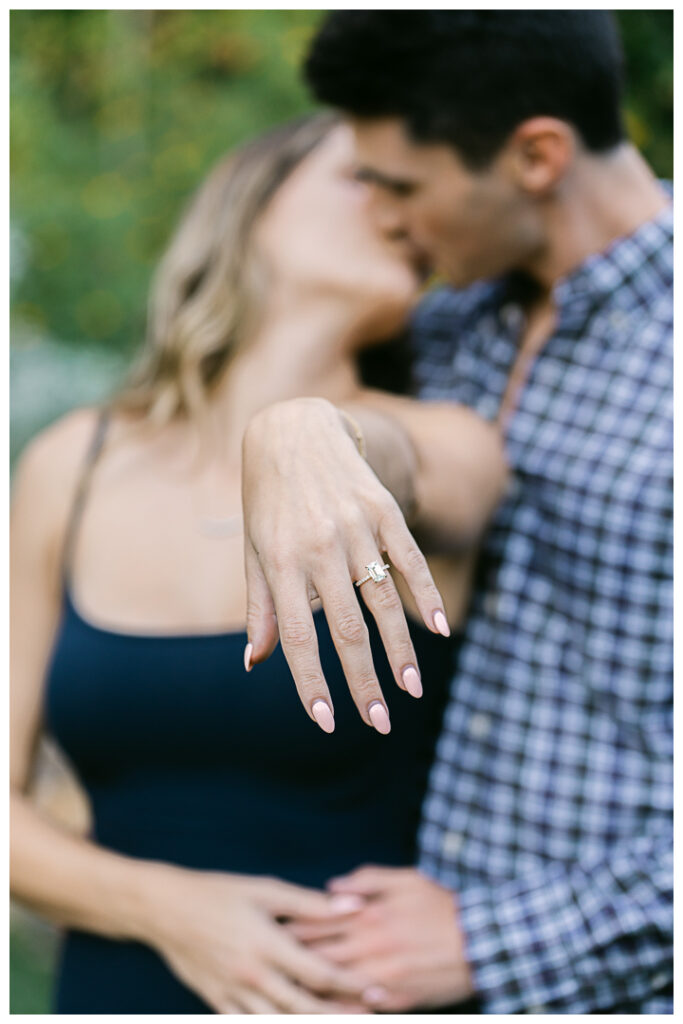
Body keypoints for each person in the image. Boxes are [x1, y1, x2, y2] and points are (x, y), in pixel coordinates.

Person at [239, 11, 673, 1015]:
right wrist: (298, 428)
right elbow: (405, 456)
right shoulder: (444, 327)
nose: (384, 219)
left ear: (535, 154)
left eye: (401, 186)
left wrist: (491, 941)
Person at [10, 113, 485, 1013]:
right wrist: (173, 911)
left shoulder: (444, 438)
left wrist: (307, 428)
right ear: (251, 204)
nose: (400, 201)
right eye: (364, 176)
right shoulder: (70, 466)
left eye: (412, 181)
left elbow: (430, 476)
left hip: (353, 998)